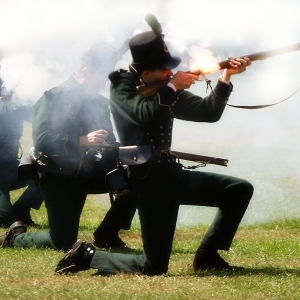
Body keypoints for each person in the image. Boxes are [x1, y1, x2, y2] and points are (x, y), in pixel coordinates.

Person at [54, 15, 254, 276]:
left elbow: (208, 112)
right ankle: (87, 254)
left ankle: (208, 255)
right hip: (148, 182)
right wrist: (172, 86)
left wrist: (226, 77)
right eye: (164, 70)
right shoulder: (122, 86)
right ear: (146, 73)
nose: (170, 73)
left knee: (238, 190)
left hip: (171, 173)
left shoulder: (164, 85)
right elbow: (144, 115)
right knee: (154, 267)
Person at [0, 41, 136, 251]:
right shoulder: (53, 98)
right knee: (62, 241)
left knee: (138, 179)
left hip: (89, 171)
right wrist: (83, 140)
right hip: (59, 173)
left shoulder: (100, 103)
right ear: (84, 71)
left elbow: (107, 141)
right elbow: (44, 139)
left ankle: (107, 233)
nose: (103, 84)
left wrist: (117, 151)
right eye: (101, 77)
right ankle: (14, 238)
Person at [0, 76, 43, 226]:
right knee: (5, 218)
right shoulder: (9, 105)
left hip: (9, 168)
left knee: (48, 172)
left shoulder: (15, 104)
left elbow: (38, 116)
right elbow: (4, 109)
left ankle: (22, 208)